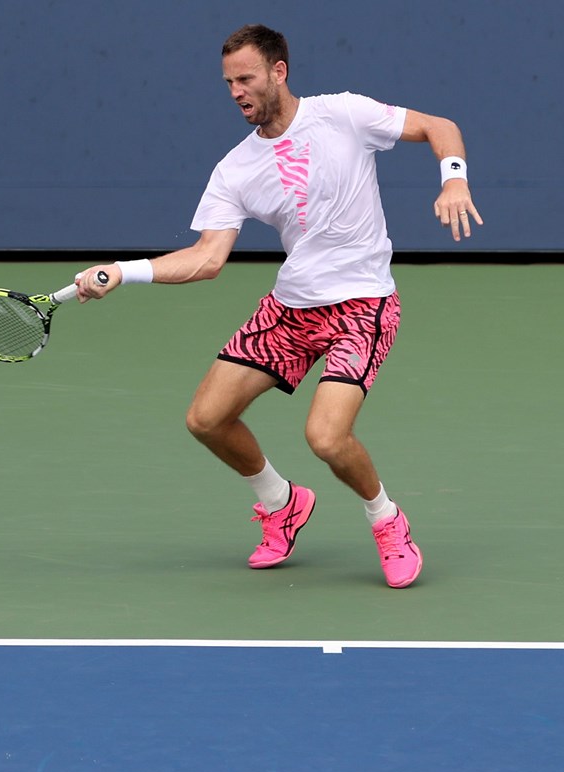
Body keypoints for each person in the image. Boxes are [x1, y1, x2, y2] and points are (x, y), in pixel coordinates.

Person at [75, 24, 481, 589]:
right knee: (206, 418)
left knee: (327, 438)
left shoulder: (344, 113)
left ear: (278, 72)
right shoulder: (236, 168)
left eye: (246, 78)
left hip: (362, 306)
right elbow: (206, 258)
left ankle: (387, 520)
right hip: (291, 310)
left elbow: (441, 127)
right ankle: (281, 502)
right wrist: (124, 272)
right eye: (228, 83)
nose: (237, 91)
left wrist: (453, 180)